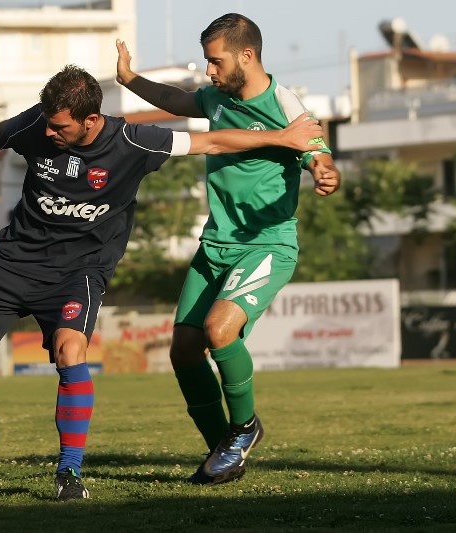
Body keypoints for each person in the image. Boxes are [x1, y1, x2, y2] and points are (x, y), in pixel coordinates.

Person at [0, 63, 324, 501]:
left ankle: (69, 474)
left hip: (80, 270)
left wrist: (282, 138)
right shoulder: (39, 123)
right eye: (48, 122)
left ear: (91, 119)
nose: (49, 132)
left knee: (70, 351)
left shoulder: (133, 141)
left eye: (60, 126)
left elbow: (212, 140)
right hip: (16, 258)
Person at [115, 13, 341, 486]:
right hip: (216, 243)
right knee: (183, 350)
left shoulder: (285, 104)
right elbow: (175, 99)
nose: (209, 72)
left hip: (267, 244)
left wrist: (325, 172)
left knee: (219, 330)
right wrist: (130, 79)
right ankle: (226, 450)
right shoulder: (217, 98)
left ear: (247, 55)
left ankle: (244, 428)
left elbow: (319, 153)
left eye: (215, 62)